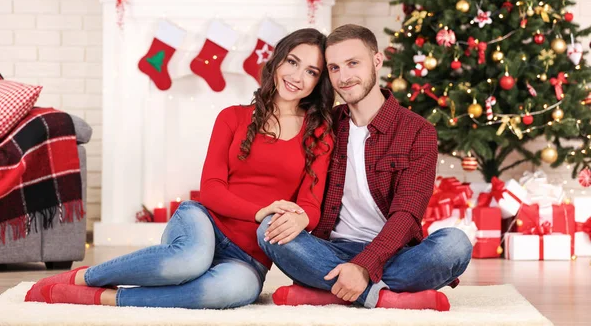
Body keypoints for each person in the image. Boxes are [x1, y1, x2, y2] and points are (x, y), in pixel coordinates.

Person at [24, 28, 335, 309]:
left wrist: (302, 218)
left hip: (250, 258)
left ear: (318, 81)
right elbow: (211, 189)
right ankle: (85, 278)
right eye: (292, 62)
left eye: (311, 71)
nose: (297, 76)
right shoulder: (232, 117)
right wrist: (261, 212)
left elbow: (311, 205)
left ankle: (105, 298)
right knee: (189, 261)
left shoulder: (319, 133)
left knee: (230, 292)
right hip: (205, 222)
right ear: (278, 61)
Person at [257, 24, 472, 311]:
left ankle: (329, 292)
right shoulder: (324, 124)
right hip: (330, 248)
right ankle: (386, 297)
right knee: (268, 230)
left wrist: (364, 266)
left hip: (393, 252)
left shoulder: (418, 131)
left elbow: (407, 215)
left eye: (353, 64)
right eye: (334, 68)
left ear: (377, 61)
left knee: (455, 245)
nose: (344, 77)